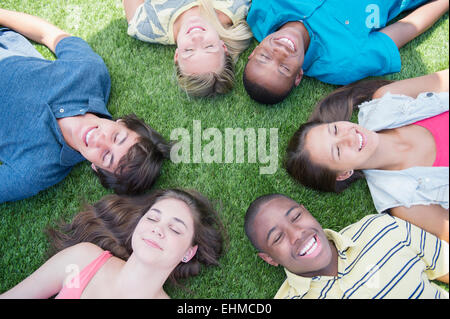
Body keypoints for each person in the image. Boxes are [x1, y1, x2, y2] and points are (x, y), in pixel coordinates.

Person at [0, 8, 170, 203]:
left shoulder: (35, 172)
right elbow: (49, 34)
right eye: (117, 137)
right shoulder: (90, 73)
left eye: (106, 156)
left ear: (96, 168)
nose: (100, 140)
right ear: (122, 123)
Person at [285, 70, 449, 243]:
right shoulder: (406, 204)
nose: (349, 136)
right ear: (344, 173)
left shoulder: (387, 98)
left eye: (334, 129)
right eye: (338, 151)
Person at [0, 188, 225, 298]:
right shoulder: (83, 260)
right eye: (153, 218)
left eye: (175, 229)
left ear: (188, 252)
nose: (158, 228)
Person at [244, 193, 449, 299]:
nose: (297, 233)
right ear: (270, 259)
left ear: (306, 211)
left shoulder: (380, 229)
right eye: (278, 237)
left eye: (296, 216)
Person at [243, 0, 449, 105]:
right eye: (284, 68)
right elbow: (408, 27)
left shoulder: (261, 9)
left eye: (265, 57)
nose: (280, 52)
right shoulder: (345, 63)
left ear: (253, 52)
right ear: (298, 76)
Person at [123, 0, 253, 97]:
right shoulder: (235, 6)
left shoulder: (148, 26)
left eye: (189, 50)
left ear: (177, 56)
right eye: (209, 46)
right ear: (223, 46)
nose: (196, 38)